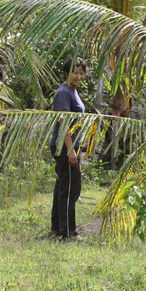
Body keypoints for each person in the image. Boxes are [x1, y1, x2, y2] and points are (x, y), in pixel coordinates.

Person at [48, 57, 87, 241]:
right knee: (70, 188)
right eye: (75, 72)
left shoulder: (73, 91)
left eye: (81, 72)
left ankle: (57, 228)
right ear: (66, 73)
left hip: (71, 146)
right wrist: (71, 150)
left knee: (63, 186)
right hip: (66, 146)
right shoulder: (64, 93)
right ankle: (68, 232)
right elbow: (63, 123)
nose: (79, 76)